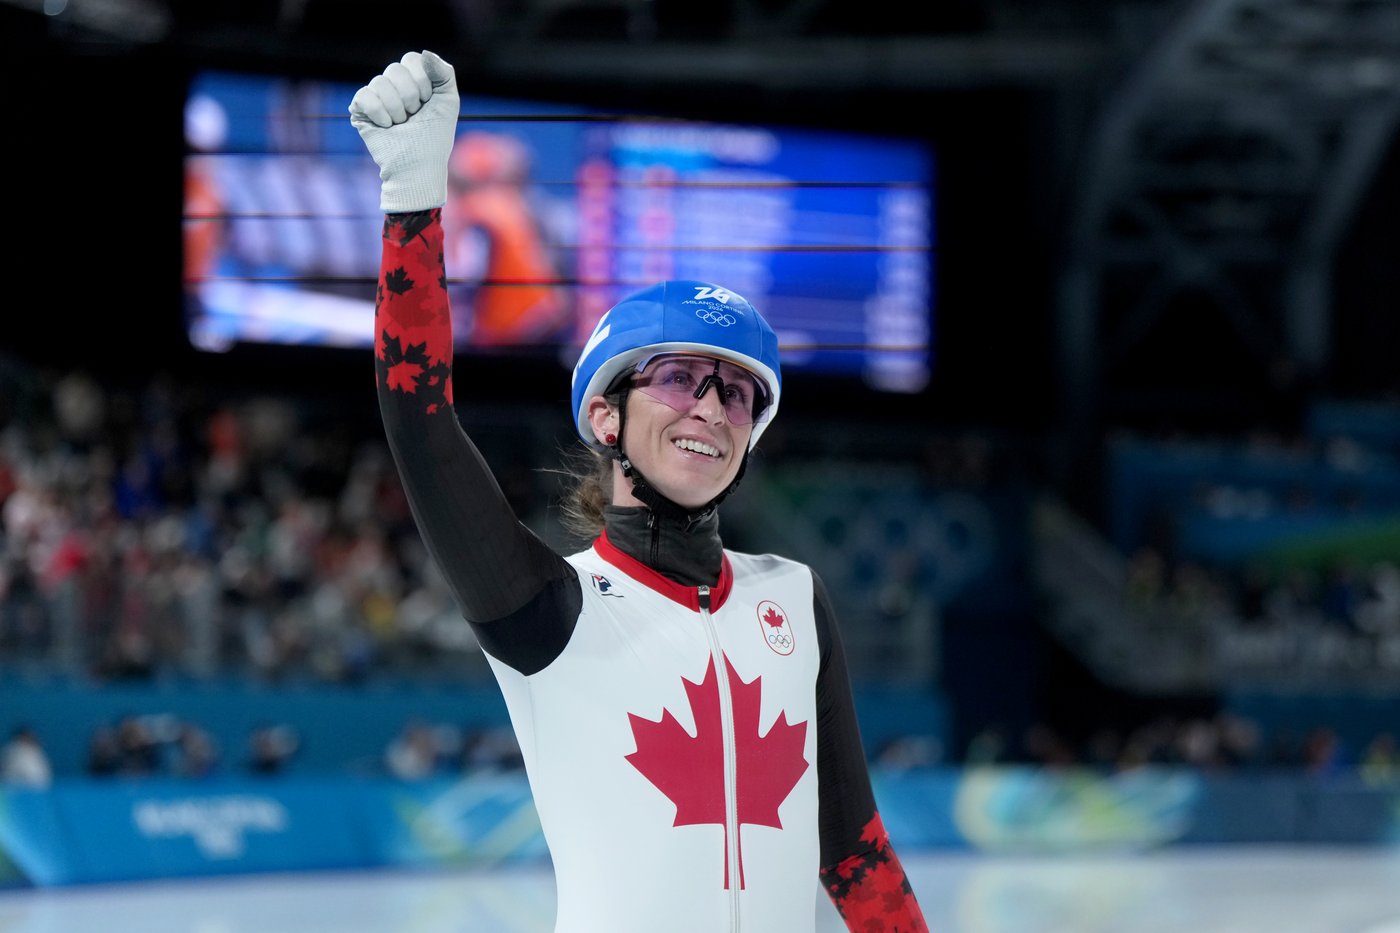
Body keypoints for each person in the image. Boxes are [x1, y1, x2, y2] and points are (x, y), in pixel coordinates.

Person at [350, 50, 928, 933]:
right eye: (678, 377)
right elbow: (421, 427)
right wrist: (413, 203)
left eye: (736, 391)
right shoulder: (551, 608)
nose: (711, 406)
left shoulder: (795, 599)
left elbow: (853, 848)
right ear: (606, 415)